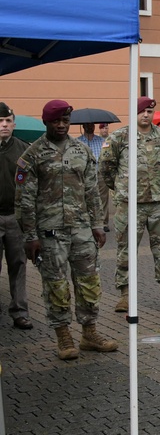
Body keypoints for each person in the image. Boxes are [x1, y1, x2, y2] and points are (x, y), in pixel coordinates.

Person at [18, 100, 116, 360]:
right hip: (50, 234)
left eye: (65, 121)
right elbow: (25, 200)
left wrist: (97, 224)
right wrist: (30, 236)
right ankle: (63, 335)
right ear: (45, 122)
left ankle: (89, 333)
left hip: (82, 229)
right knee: (56, 286)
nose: (61, 125)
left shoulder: (81, 150)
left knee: (89, 282)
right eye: (56, 121)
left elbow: (92, 191)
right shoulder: (33, 155)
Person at [100, 96, 160, 310]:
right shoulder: (119, 137)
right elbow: (107, 168)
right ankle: (125, 295)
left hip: (158, 204)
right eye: (141, 111)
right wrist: (121, 188)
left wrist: (159, 187)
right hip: (130, 205)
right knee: (126, 249)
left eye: (149, 111)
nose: (145, 115)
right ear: (134, 113)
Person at [0, 103, 31, 330]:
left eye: (8, 121)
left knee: (18, 265)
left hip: (14, 217)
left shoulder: (23, 150)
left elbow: (30, 184)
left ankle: (19, 311)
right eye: (0, 122)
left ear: (14, 124)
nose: (4, 125)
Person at [78, 122, 110, 231]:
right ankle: (88, 221)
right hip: (85, 174)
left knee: (103, 199)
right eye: (87, 125)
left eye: (92, 125)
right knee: (86, 197)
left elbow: (106, 156)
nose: (90, 127)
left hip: (100, 173)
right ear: (83, 127)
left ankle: (104, 223)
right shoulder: (78, 142)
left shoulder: (101, 141)